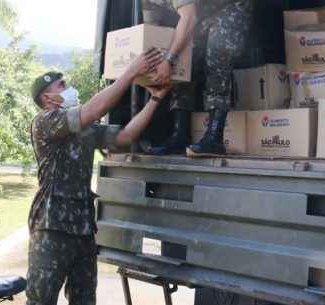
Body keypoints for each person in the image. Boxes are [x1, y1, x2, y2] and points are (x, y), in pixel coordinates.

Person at [25, 48, 167, 305]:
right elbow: (90, 111)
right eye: (62, 85)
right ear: (48, 98)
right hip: (51, 228)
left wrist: (154, 100)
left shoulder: (84, 127)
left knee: (85, 300)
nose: (69, 88)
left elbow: (124, 137)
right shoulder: (45, 121)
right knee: (41, 301)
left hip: (83, 229)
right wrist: (132, 71)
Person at [141, 0, 254, 157]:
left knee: (217, 55)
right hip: (202, 12)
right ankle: (179, 136)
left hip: (230, 5)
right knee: (185, 64)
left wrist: (168, 60)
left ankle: (215, 139)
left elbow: (188, 18)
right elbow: (152, 29)